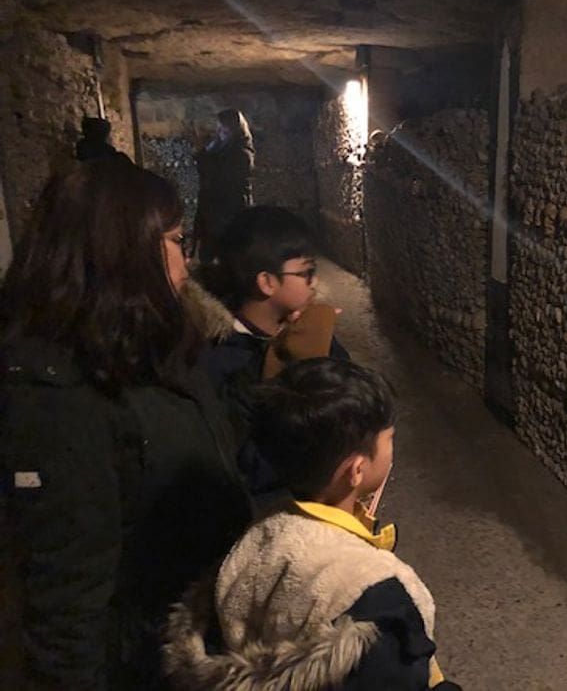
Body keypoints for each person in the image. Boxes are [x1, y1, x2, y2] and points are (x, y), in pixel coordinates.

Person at [0, 157, 251, 689]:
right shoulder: (54, 401)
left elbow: (201, 442)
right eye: (178, 240)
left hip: (187, 639)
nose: (187, 262)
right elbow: (66, 603)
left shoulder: (147, 346)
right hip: (142, 666)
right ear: (127, 252)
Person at [163, 358, 460, 690]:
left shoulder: (261, 533)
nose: (393, 447)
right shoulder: (378, 596)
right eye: (388, 438)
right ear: (357, 471)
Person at [189, 204, 350, 500]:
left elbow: (355, 404)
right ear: (266, 282)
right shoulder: (221, 362)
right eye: (306, 272)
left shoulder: (307, 329)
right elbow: (251, 464)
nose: (315, 282)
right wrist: (302, 370)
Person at [193, 108, 255, 262]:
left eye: (224, 129)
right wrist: (211, 147)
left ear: (235, 130)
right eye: (219, 128)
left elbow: (216, 174)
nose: (220, 133)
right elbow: (200, 161)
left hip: (229, 213)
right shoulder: (222, 148)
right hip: (214, 211)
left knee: (229, 254)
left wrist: (208, 151)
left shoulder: (242, 154)